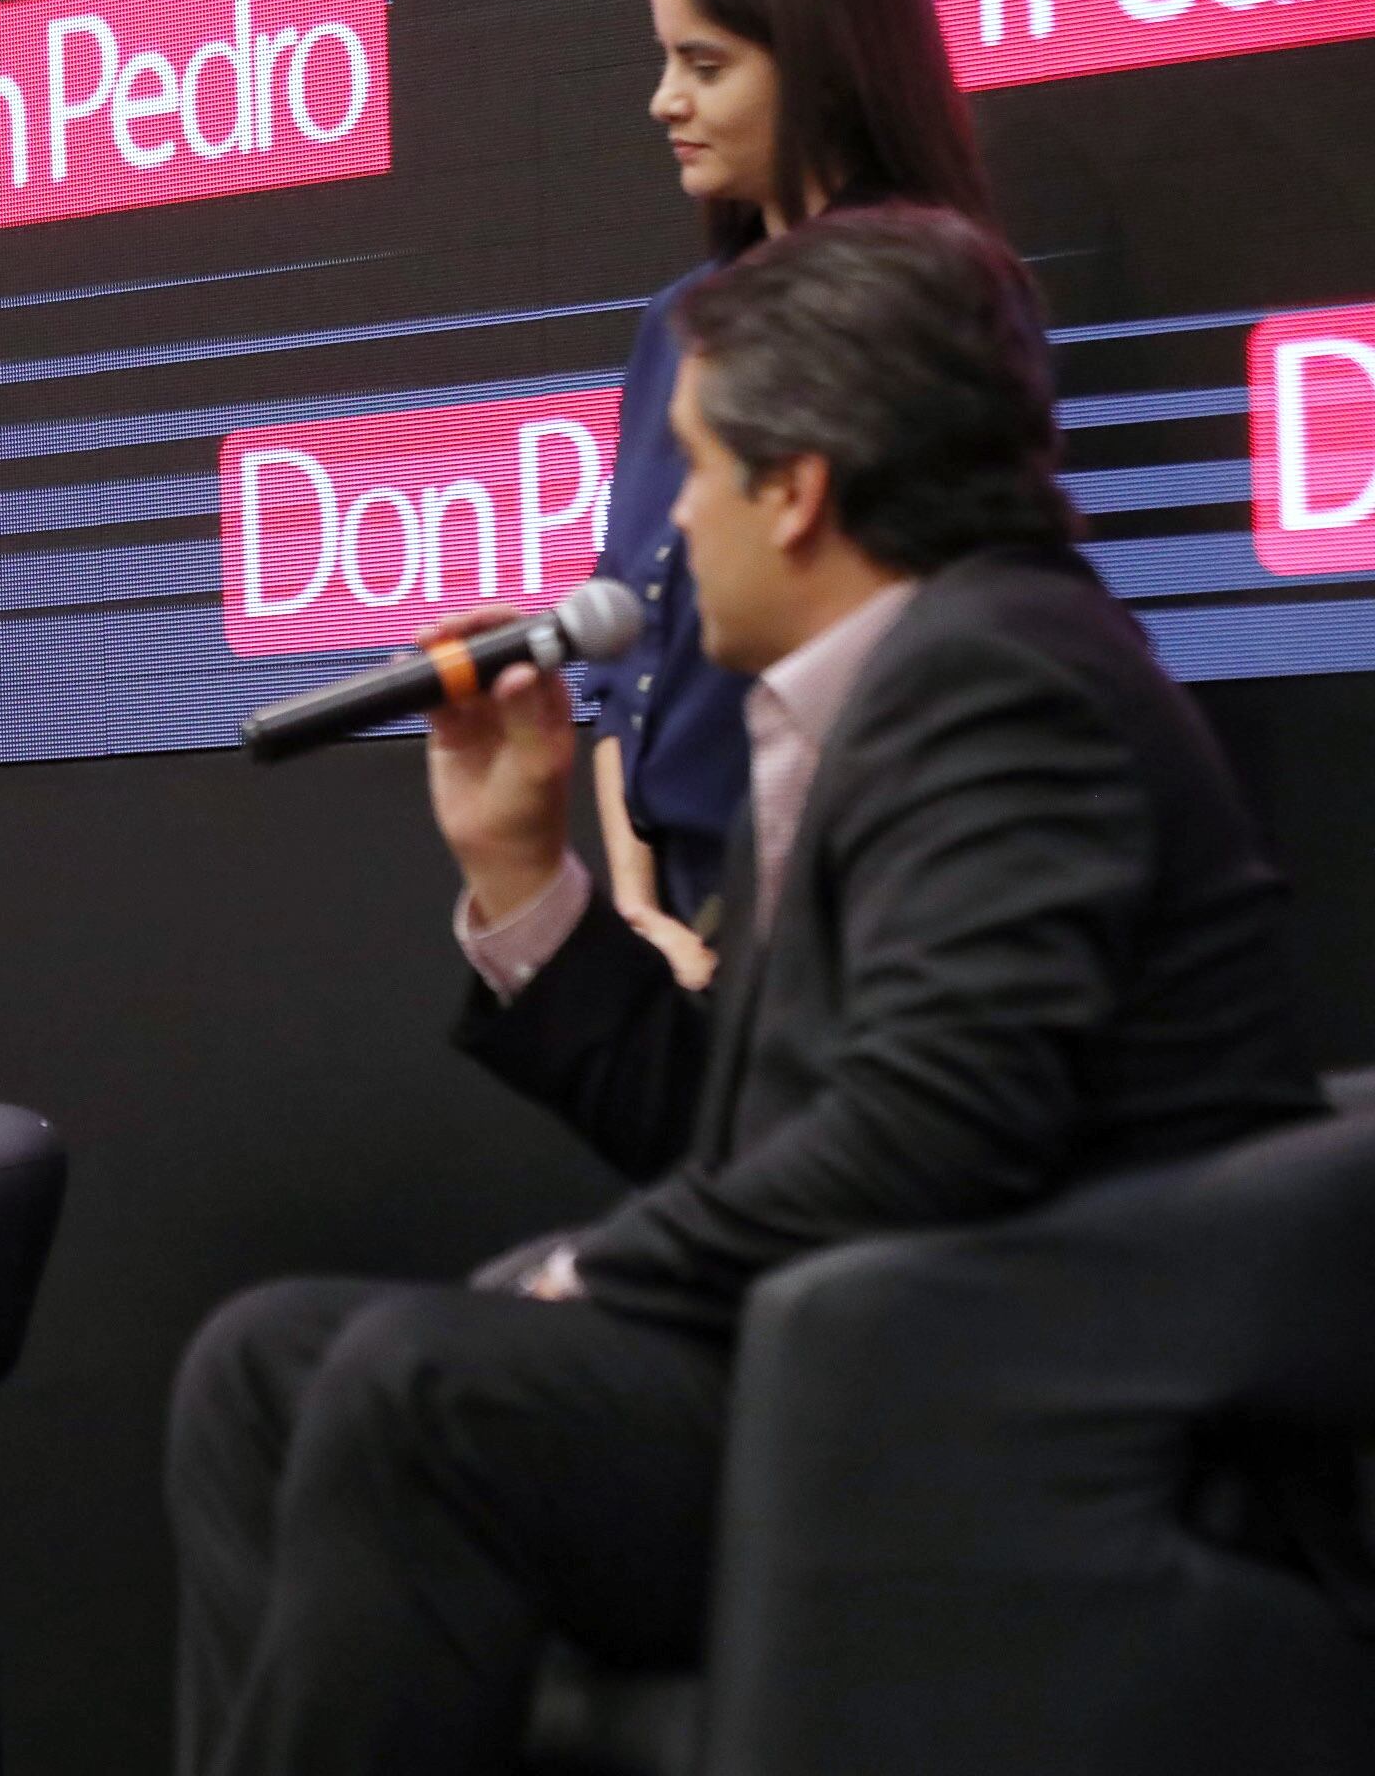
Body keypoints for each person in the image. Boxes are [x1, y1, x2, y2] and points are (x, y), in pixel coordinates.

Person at [165, 206, 1327, 1776]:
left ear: (796, 492)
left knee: (421, 1389)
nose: (667, 536)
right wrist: (521, 872)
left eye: (697, 472)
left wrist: (591, 1274)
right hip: (850, 1367)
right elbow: (751, 1130)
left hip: (1018, 1421)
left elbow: (935, 1128)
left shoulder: (1007, 679)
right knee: (265, 1368)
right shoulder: (886, 687)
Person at [593, 0, 997, 989]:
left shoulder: (926, 313)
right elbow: (620, 648)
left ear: (821, 65)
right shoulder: (675, 325)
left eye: (705, 65)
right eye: (665, 60)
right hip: (687, 927)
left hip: (852, 923)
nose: (664, 100)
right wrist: (639, 910)